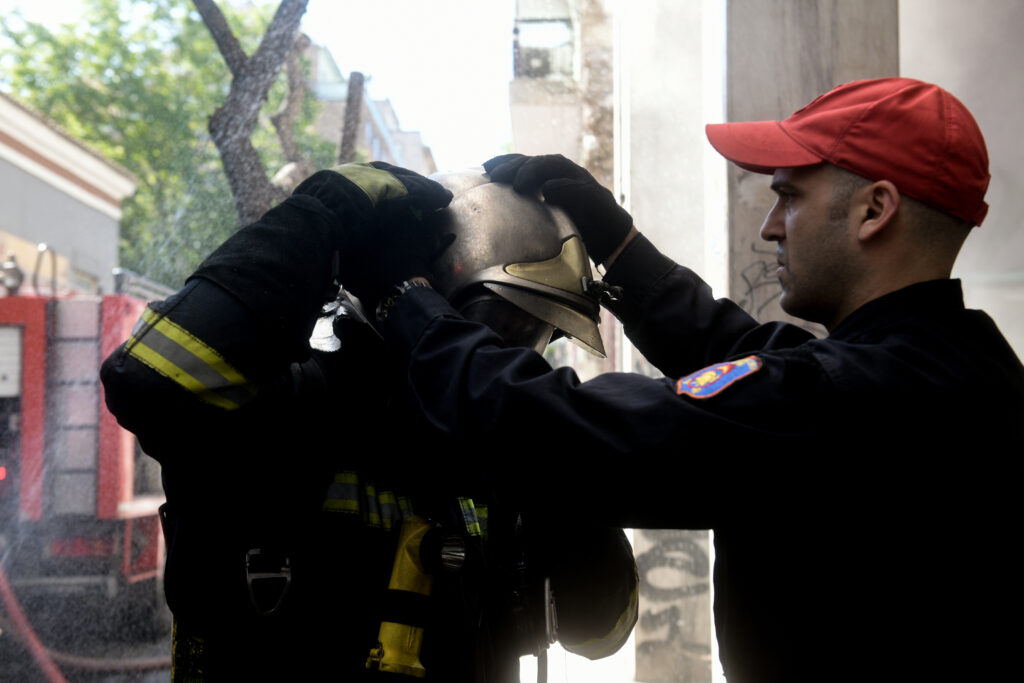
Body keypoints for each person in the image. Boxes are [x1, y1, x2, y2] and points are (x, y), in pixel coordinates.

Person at [346, 78, 1024, 681]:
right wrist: (622, 252)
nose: (768, 228)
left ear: (874, 210)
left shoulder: (851, 401)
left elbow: (577, 434)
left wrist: (404, 299)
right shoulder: (957, 367)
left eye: (788, 198)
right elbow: (753, 356)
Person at [100, 163, 637, 681]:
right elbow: (149, 380)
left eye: (533, 335)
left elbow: (600, 630)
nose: (502, 353)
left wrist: (555, 465)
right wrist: (316, 216)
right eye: (497, 322)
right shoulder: (286, 407)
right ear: (413, 295)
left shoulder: (501, 459)